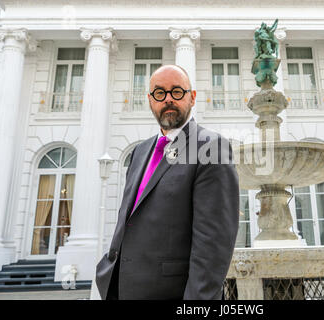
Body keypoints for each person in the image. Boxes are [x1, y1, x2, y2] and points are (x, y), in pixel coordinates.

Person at [95, 65, 240, 300]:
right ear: (150, 100)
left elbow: (213, 247)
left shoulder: (211, 147)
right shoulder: (140, 151)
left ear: (192, 98)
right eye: (160, 93)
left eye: (177, 92)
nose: (168, 99)